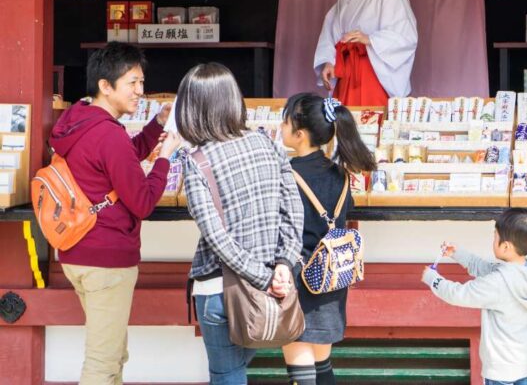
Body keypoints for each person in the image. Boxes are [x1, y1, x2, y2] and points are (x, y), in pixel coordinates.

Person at [49, 41, 181, 384]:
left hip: (77, 251)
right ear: (106, 86)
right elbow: (142, 203)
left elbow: (120, 158)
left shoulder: (78, 120)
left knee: (112, 353)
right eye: (132, 83)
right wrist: (165, 157)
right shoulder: (107, 134)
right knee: (102, 363)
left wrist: (155, 125)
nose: (140, 91)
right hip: (105, 261)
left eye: (141, 82)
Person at [178, 63, 304, 385]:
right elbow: (293, 211)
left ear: (191, 109)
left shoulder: (196, 163)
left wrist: (265, 278)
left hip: (220, 291)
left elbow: (217, 239)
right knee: (234, 369)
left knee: (227, 374)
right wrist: (283, 267)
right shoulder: (269, 145)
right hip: (269, 289)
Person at [279, 94, 375, 385]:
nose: (280, 127)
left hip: (297, 278)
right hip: (332, 277)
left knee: (301, 369)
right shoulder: (341, 174)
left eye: (284, 122)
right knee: (322, 365)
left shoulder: (287, 174)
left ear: (299, 134)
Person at [421, 208, 527, 385]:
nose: (492, 241)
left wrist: (433, 279)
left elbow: (460, 294)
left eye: (495, 237)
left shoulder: (498, 282)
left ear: (506, 246)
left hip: (500, 369)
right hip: (523, 363)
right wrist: (457, 253)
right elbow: (486, 268)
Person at [313, 0, 418, 105]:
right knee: (345, 124)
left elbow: (405, 36)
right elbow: (331, 33)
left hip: (375, 74)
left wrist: (369, 39)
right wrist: (330, 61)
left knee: (374, 123)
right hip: (348, 73)